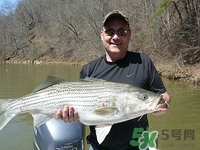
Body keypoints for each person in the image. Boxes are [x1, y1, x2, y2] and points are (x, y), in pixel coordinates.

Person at [56, 10, 171, 150]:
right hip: (99, 147)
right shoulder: (89, 70)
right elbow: (82, 110)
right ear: (102, 35)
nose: (115, 37)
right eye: (110, 31)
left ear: (129, 34)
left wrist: (160, 106)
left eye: (121, 31)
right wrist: (70, 117)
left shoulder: (143, 62)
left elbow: (163, 96)